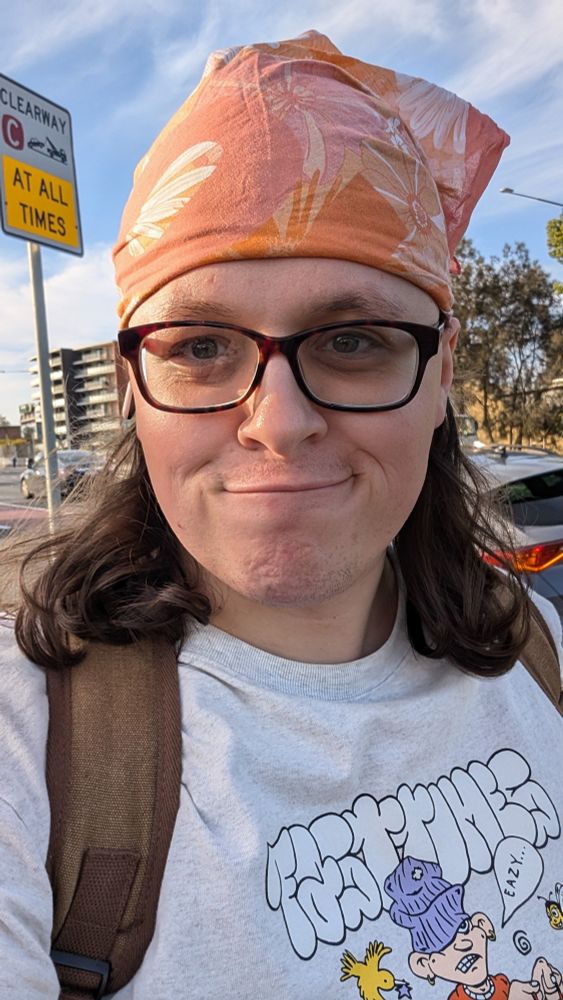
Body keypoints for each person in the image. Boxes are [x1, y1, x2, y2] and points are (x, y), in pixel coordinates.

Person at [0, 30, 562, 1000]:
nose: (279, 421)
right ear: (133, 382)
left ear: (441, 368)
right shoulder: (31, 744)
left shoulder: (536, 650)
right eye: (201, 346)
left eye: (351, 339)